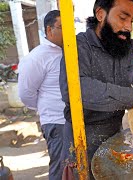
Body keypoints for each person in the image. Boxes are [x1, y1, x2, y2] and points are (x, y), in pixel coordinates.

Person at [59, 0, 133, 179]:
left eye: (132, 20)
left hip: (115, 135)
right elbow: (75, 89)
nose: (128, 27)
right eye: (122, 18)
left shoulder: (128, 47)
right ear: (100, 15)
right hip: (81, 140)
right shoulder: (78, 46)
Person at [18, 10, 65, 180]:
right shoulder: (37, 57)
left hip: (76, 120)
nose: (68, 32)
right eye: (62, 27)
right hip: (57, 122)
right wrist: (47, 107)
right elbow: (25, 94)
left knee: (74, 166)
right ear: (49, 30)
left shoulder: (69, 52)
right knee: (60, 168)